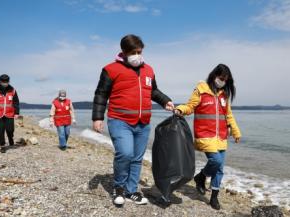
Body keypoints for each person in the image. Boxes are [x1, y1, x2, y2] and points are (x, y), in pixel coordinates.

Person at [92, 34, 174, 207]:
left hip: (143, 122)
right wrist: (98, 117)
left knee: (137, 158)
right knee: (125, 154)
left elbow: (153, 91)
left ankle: (131, 191)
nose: (138, 55)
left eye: (140, 51)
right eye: (134, 52)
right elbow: (101, 94)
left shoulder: (149, 70)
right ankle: (119, 189)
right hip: (119, 120)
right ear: (124, 52)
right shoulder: (110, 69)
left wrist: (166, 100)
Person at [174, 64, 241, 210]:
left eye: (226, 79)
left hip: (221, 136)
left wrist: (236, 131)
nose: (223, 81)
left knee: (220, 168)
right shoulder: (201, 90)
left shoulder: (224, 95)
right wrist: (180, 109)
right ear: (214, 75)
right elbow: (190, 106)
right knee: (215, 161)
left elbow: (228, 115)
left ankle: (214, 198)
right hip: (205, 134)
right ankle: (201, 176)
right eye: (221, 78)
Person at [0, 74, 20, 153]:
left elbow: (16, 102)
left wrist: (16, 113)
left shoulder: (13, 90)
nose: (4, 83)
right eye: (3, 82)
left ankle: (10, 137)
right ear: (0, 81)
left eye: (6, 82)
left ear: (8, 82)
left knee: (10, 129)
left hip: (10, 114)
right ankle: (2, 145)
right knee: (0, 130)